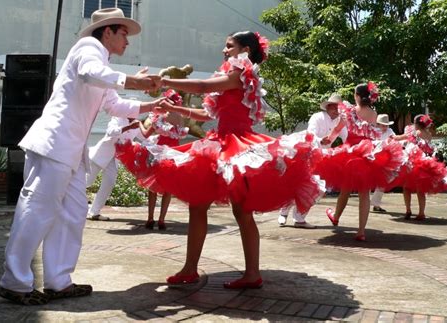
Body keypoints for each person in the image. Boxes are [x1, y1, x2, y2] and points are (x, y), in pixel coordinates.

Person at [116, 31, 323, 289]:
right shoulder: (231, 74)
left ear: (244, 48)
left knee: (242, 211)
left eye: (229, 46)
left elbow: (203, 87)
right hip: (219, 142)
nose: (224, 50)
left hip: (238, 147)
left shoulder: (240, 73)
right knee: (199, 205)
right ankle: (191, 268)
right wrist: (173, 108)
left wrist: (164, 80)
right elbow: (205, 113)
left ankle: (251, 273)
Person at [0, 7, 161, 305]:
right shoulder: (89, 47)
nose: (128, 41)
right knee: (36, 211)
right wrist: (133, 81)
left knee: (72, 214)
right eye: (123, 33)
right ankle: (14, 282)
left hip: (71, 151)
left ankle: (59, 282)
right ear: (107, 32)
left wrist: (153, 106)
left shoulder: (104, 61)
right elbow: (91, 72)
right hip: (55, 144)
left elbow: (115, 105)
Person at [315, 82, 403, 241]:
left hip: (350, 153)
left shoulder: (350, 112)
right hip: (368, 154)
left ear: (356, 96)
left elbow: (337, 129)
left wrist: (328, 140)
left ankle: (335, 216)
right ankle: (361, 231)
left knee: (345, 189)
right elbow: (376, 135)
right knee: (364, 194)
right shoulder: (374, 114)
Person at [278, 93, 347, 229]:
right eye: (333, 107)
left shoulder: (340, 122)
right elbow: (310, 135)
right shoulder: (317, 117)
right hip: (307, 154)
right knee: (299, 183)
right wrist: (320, 140)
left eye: (338, 107)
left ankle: (299, 217)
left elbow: (347, 137)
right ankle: (284, 211)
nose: (336, 110)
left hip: (324, 157)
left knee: (317, 188)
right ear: (327, 107)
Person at [390, 115, 447, 220]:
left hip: (414, 163)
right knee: (420, 190)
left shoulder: (416, 133)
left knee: (406, 188)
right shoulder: (429, 134)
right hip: (426, 163)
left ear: (417, 124)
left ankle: (408, 210)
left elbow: (399, 138)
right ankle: (421, 213)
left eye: (414, 123)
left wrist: (391, 136)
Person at [140, 89, 189, 230]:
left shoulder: (159, 116)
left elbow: (148, 131)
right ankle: (162, 220)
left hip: (159, 152)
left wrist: (138, 124)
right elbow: (180, 135)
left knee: (152, 187)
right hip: (173, 153)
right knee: (168, 188)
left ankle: (150, 218)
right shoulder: (180, 118)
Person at [86, 116, 145, 221]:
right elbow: (110, 132)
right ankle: (61, 203)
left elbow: (145, 137)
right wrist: (128, 127)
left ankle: (94, 212)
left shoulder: (137, 125)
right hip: (101, 154)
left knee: (109, 183)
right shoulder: (117, 119)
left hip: (114, 159)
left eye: (137, 111)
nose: (135, 114)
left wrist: (160, 131)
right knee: (86, 182)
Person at [369, 114, 396, 213]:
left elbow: (395, 139)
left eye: (386, 125)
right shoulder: (374, 131)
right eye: (383, 125)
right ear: (378, 125)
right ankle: (366, 203)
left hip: (386, 159)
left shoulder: (390, 131)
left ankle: (376, 204)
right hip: (374, 157)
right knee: (368, 180)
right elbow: (370, 143)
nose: (385, 127)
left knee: (383, 181)